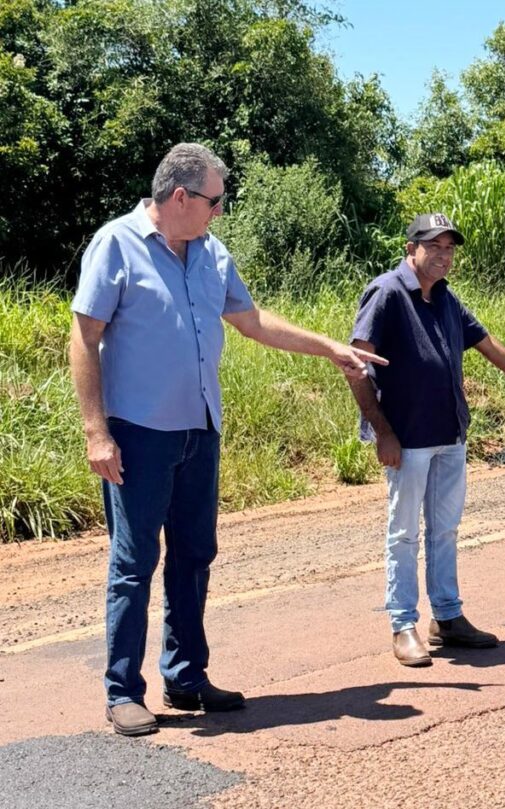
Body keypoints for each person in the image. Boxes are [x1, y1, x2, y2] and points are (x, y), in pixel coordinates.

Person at [69, 143, 385, 736]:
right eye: (215, 201)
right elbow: (84, 338)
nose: (221, 211)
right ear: (181, 197)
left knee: (194, 556)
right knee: (135, 562)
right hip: (138, 434)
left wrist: (331, 348)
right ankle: (123, 691)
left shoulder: (212, 254)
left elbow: (251, 320)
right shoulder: (117, 243)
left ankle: (186, 677)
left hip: (200, 427)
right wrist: (97, 431)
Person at [347, 213, 505, 667]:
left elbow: (489, 345)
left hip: (449, 433)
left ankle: (447, 618)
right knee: (405, 533)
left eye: (450, 249)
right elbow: (357, 364)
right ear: (411, 249)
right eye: (435, 247)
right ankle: (403, 625)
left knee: (445, 530)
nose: (444, 256)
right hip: (406, 438)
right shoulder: (387, 292)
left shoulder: (447, 299)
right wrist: (382, 430)